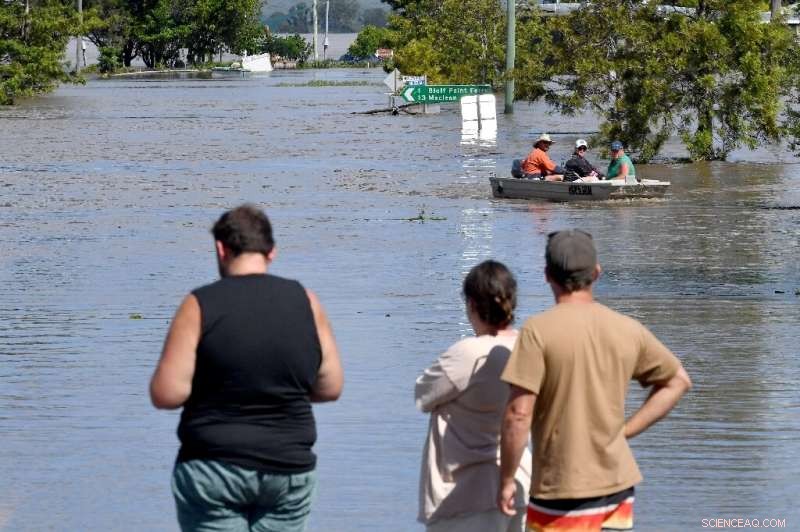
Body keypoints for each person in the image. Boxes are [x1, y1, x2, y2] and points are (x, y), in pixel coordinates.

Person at [150, 204, 343, 532]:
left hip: (214, 465)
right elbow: (330, 386)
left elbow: (167, 393)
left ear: (220, 249)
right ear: (272, 253)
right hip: (288, 468)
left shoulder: (199, 304)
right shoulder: (306, 301)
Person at [497, 230, 691, 532]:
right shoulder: (627, 328)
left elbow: (518, 414)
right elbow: (677, 381)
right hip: (617, 486)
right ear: (597, 273)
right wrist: (625, 431)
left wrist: (507, 480)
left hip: (559, 488)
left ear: (547, 275)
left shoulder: (538, 331)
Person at [416, 260, 532, 532]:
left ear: (471, 304)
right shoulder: (528, 348)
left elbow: (422, 394)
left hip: (466, 494)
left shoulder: (466, 353)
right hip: (521, 484)